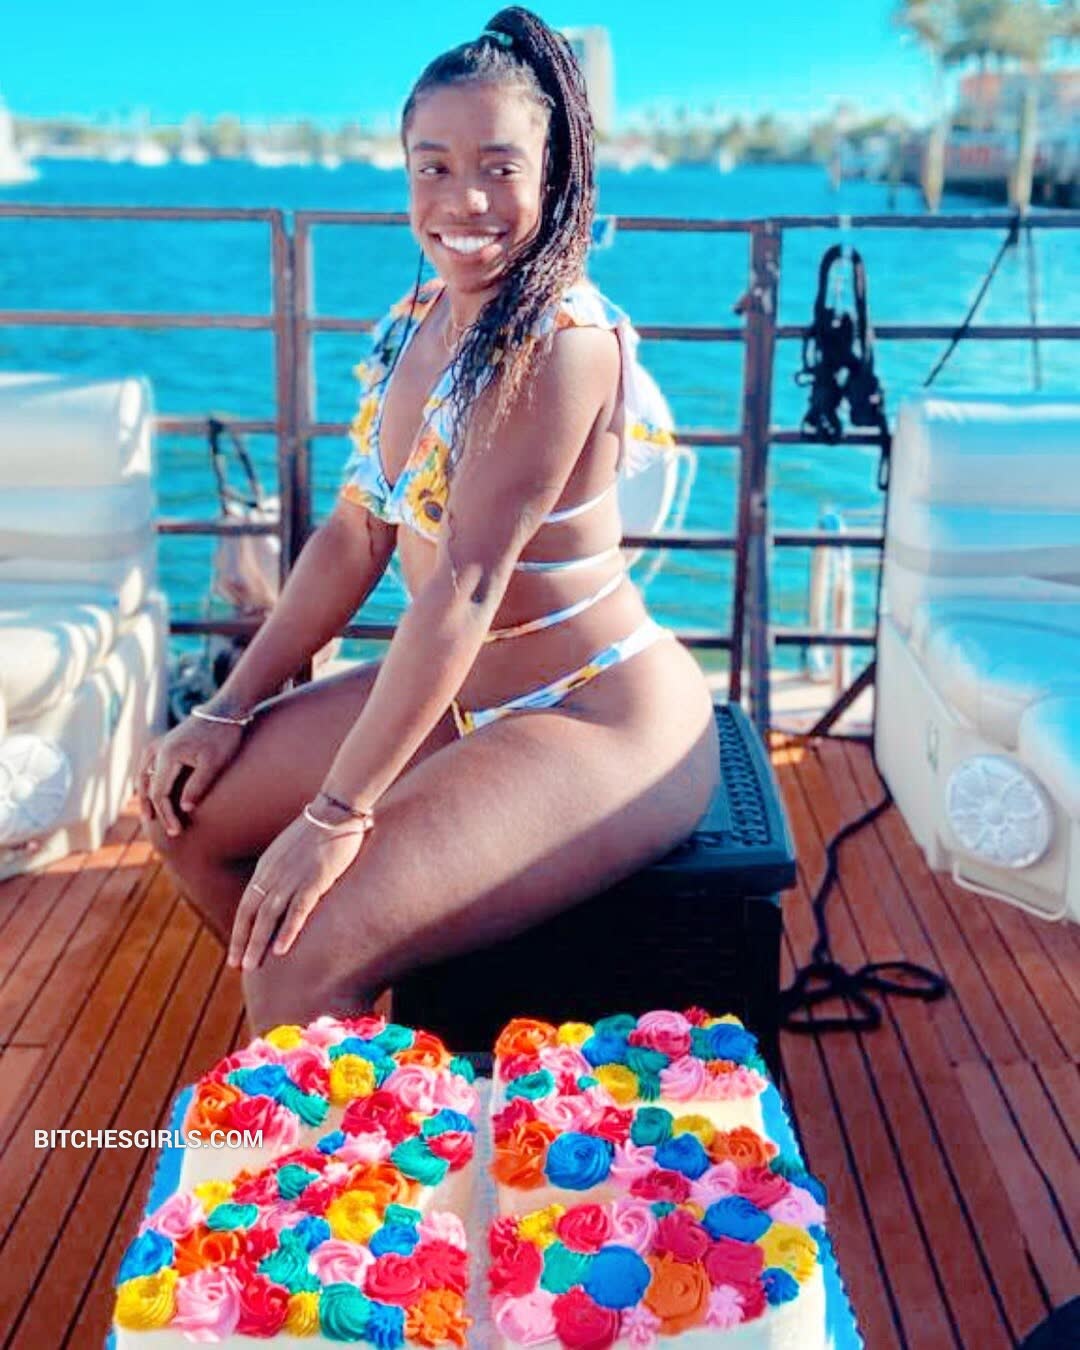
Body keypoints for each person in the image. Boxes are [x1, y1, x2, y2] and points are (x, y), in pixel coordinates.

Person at [138, 6, 720, 1034]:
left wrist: (337, 815)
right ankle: (362, 1063)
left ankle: (325, 1028)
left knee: (304, 944)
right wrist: (226, 709)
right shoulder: (414, 326)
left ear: (554, 177)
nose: (465, 200)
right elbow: (357, 535)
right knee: (189, 816)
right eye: (434, 166)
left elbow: (465, 585)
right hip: (453, 698)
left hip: (588, 711)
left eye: (500, 167)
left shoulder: (561, 342)